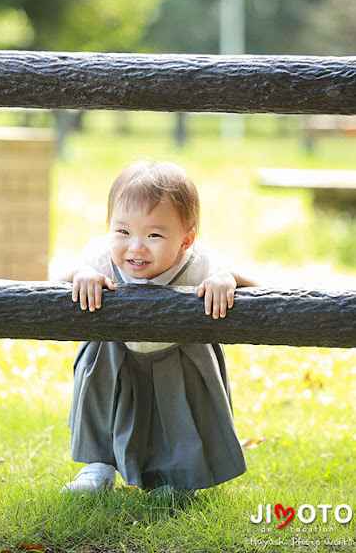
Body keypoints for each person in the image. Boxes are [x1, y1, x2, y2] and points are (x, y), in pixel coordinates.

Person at [50, 160, 258, 494]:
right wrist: (79, 275)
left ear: (186, 241)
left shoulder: (197, 263)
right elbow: (53, 278)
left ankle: (178, 477)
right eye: (122, 231)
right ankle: (98, 467)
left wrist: (227, 278)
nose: (135, 246)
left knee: (177, 413)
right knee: (102, 402)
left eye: (154, 235)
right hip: (113, 353)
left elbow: (254, 284)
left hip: (177, 354)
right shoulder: (100, 258)